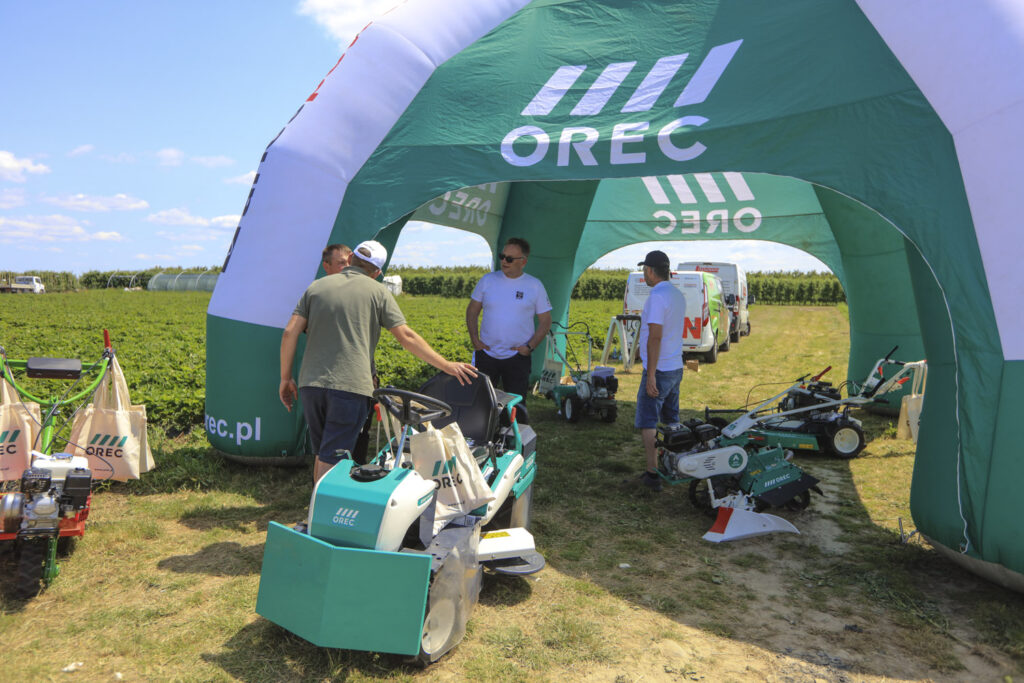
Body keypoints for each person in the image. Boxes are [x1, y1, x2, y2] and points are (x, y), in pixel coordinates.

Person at [280, 240, 477, 483]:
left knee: (323, 452)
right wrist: (446, 365)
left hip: (310, 385)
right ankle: (321, 507)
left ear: (350, 258)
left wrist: (285, 378)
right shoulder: (378, 292)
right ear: (376, 272)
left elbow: (289, 332)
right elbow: (406, 337)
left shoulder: (316, 287)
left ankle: (316, 501)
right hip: (350, 386)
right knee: (334, 458)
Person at [466, 237, 552, 406]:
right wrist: (475, 340)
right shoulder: (487, 281)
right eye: (502, 256)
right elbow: (472, 311)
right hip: (486, 354)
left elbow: (546, 321)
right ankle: (489, 425)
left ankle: (512, 425)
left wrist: (529, 347)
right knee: (482, 404)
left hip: (517, 357)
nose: (504, 261)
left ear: (523, 262)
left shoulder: (534, 285)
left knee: (516, 405)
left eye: (510, 259)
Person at [633, 250, 685, 492]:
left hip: (660, 368)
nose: (644, 274)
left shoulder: (656, 297)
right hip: (675, 366)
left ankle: (652, 474)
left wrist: (651, 374)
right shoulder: (677, 294)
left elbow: (655, 337)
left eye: (645, 270)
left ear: (650, 271)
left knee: (648, 421)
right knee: (671, 420)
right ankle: (674, 465)